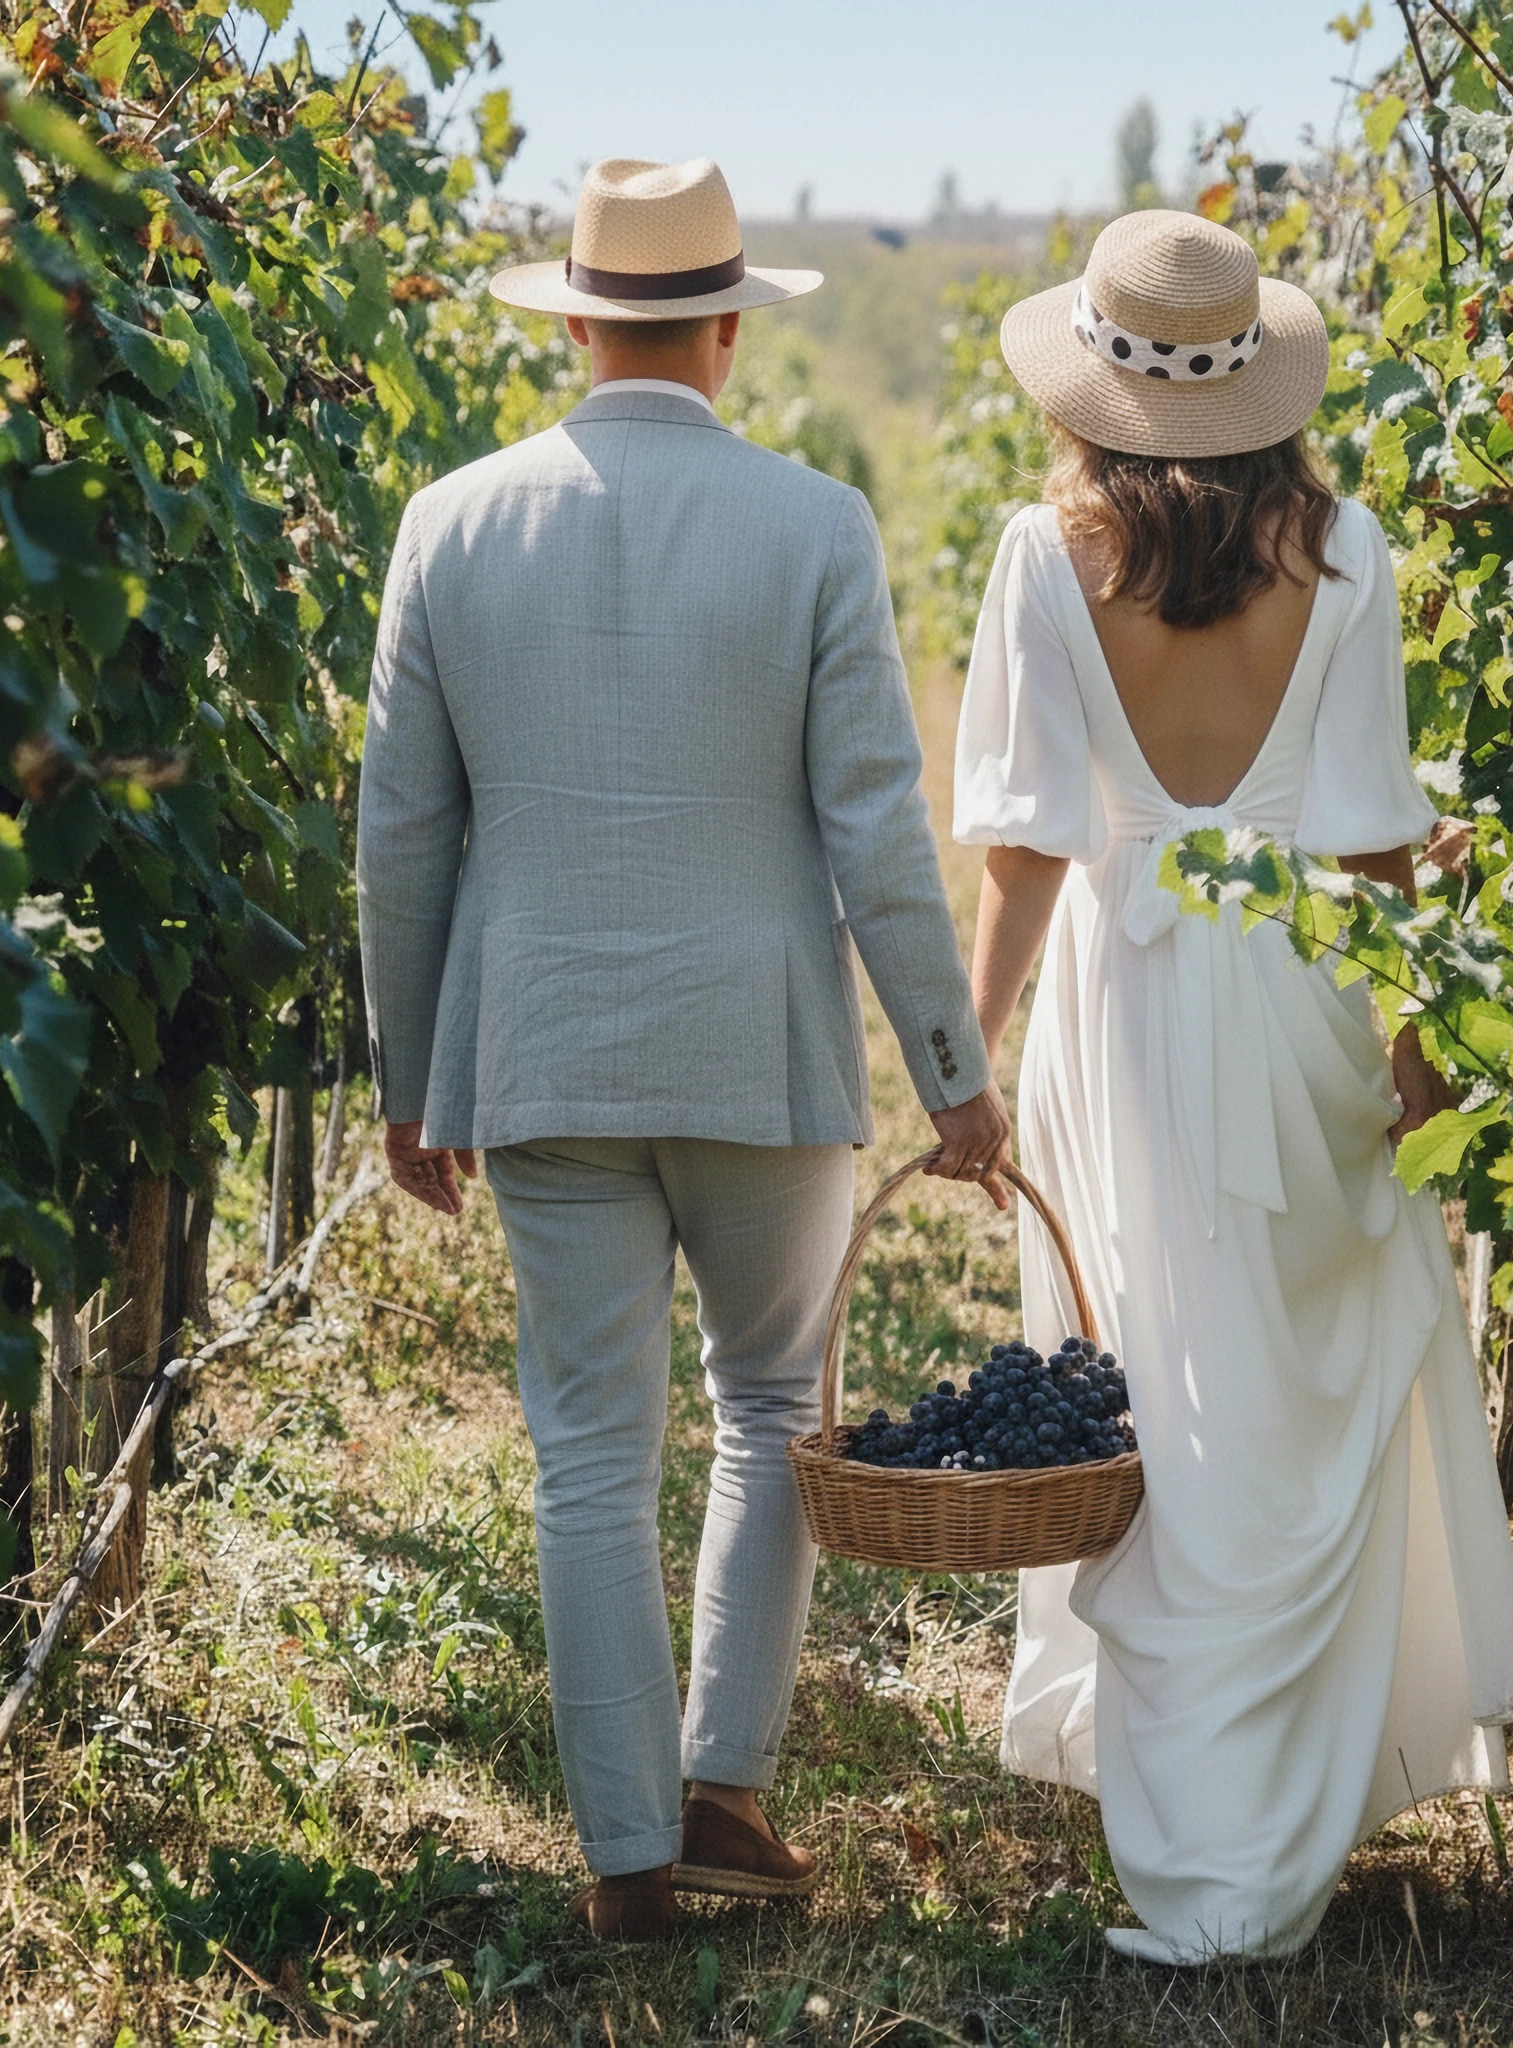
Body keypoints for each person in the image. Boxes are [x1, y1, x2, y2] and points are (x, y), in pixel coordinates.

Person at [356, 156, 1009, 1944]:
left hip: (540, 1050)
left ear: (575, 326)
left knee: (586, 1450)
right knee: (772, 1410)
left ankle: (628, 1865)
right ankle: (728, 1789)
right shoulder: (817, 526)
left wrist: (411, 1080)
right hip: (759, 1054)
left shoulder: (447, 525)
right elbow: (877, 826)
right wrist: (950, 1069)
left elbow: (400, 834)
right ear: (729, 330)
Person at [954, 210, 1513, 1963]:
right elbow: (1375, 850)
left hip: (1124, 1006)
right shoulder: (1345, 553)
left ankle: (1194, 1848)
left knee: (1154, 1382)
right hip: (1300, 992)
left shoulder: (1045, 557)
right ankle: (1270, 1842)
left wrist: (966, 1060)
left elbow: (1026, 850)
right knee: (1294, 1396)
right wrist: (1416, 1073)